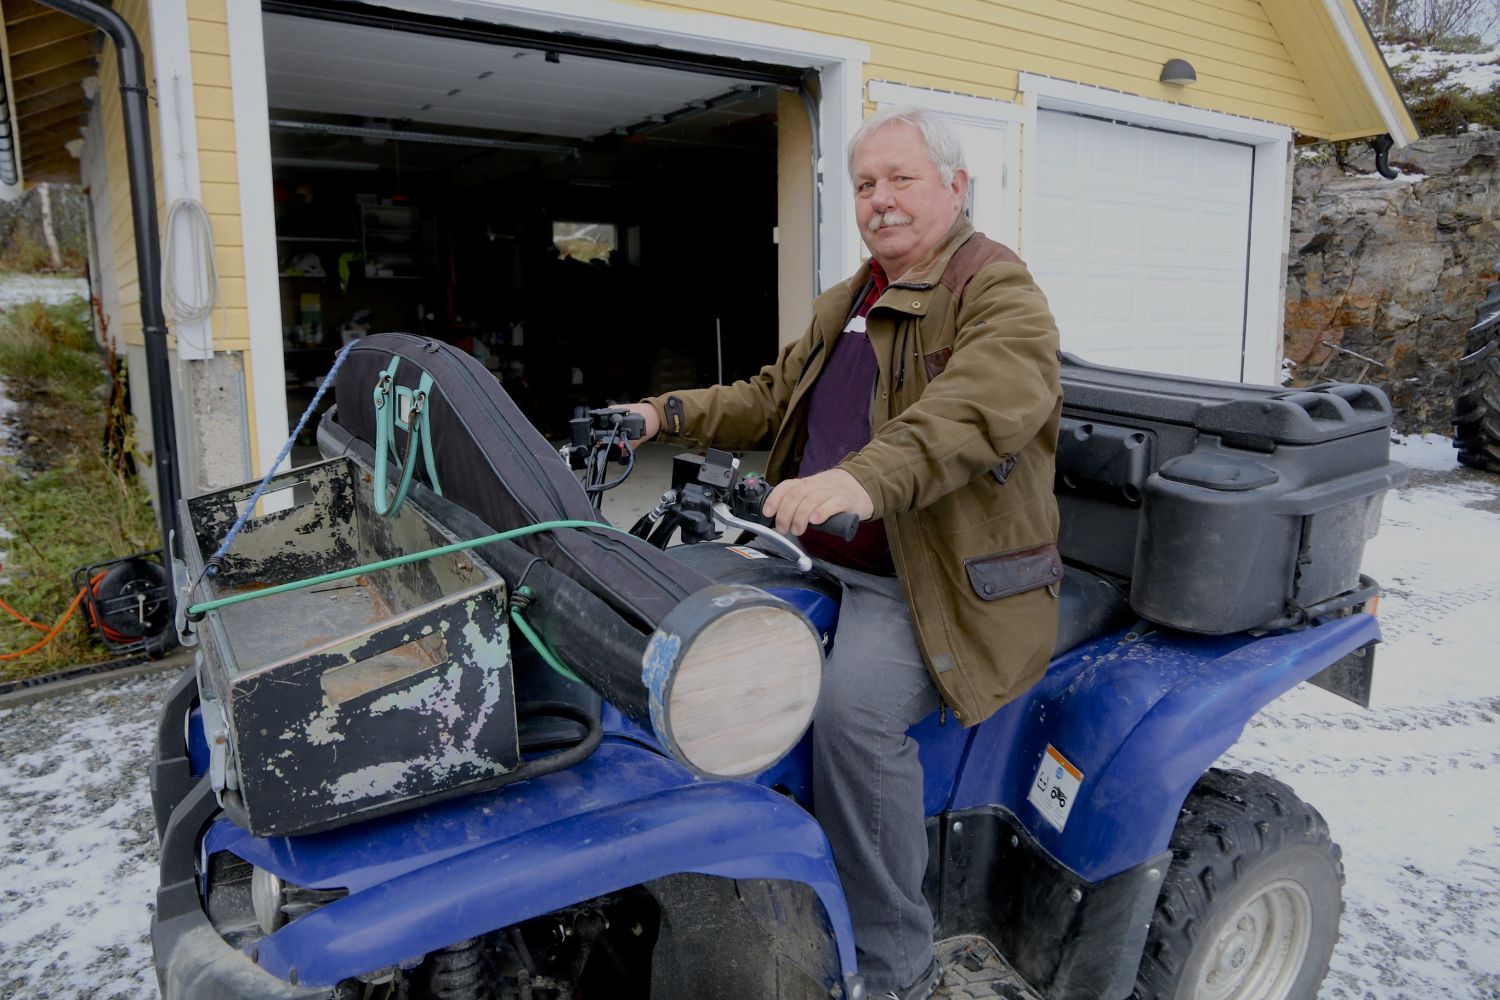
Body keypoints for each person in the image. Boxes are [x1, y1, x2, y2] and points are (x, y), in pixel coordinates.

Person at [622, 107, 1062, 1000]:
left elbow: (976, 408)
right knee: (674, 625)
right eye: (865, 185)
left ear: (955, 187)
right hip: (812, 556)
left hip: (928, 578)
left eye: (902, 179)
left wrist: (862, 479)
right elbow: (770, 395)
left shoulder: (998, 291)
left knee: (853, 716)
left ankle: (895, 962)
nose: (881, 200)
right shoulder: (853, 297)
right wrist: (662, 414)